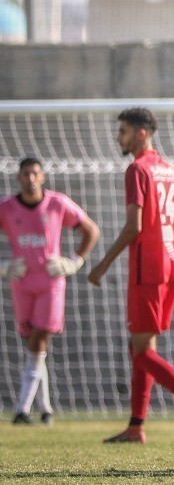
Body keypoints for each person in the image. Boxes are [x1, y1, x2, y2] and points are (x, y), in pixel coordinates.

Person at [87, 108, 174, 445]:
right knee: (143, 347)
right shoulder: (170, 171)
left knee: (142, 352)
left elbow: (134, 226)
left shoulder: (137, 170)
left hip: (147, 269)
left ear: (141, 133)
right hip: (172, 267)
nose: (118, 137)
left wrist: (103, 264)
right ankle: (136, 426)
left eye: (123, 131)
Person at [1, 158, 100, 424]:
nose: (30, 179)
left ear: (42, 177)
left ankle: (22, 410)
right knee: (34, 347)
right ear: (19, 178)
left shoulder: (57, 203)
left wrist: (75, 261)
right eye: (25, 174)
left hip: (51, 283)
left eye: (35, 173)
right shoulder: (6, 208)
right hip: (22, 283)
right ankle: (46, 410)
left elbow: (91, 230)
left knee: (39, 341)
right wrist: (3, 266)